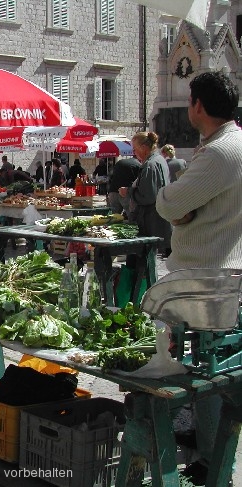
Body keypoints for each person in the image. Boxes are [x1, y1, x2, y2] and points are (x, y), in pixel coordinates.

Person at [156, 71, 242, 486]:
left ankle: (211, 458)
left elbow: (170, 202)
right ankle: (211, 446)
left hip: (207, 276)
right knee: (216, 366)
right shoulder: (230, 144)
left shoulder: (221, 152)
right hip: (223, 270)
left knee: (205, 369)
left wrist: (179, 207)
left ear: (199, 106)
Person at [118, 131, 172, 255]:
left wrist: (128, 191)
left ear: (144, 148)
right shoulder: (159, 160)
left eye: (135, 149)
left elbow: (148, 196)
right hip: (158, 216)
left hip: (151, 220)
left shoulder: (150, 165)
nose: (134, 152)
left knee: (145, 260)